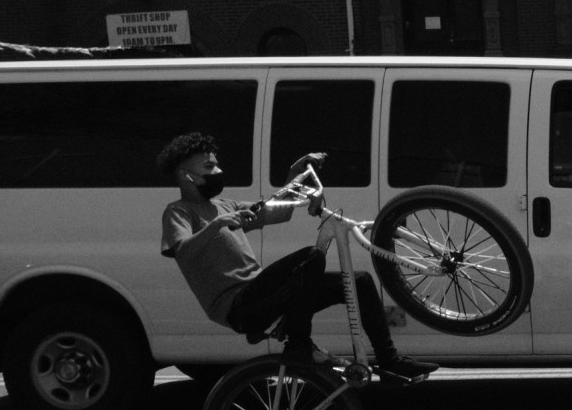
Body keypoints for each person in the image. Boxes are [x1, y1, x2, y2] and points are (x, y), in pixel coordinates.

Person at [157, 132, 435, 382]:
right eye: (209, 167)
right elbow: (182, 250)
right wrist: (217, 225)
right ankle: (299, 346)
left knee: (358, 281)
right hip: (240, 306)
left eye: (217, 164)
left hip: (265, 294)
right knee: (310, 258)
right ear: (186, 176)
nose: (218, 171)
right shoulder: (179, 212)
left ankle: (389, 362)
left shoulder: (224, 205)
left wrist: (295, 172)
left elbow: (280, 209)